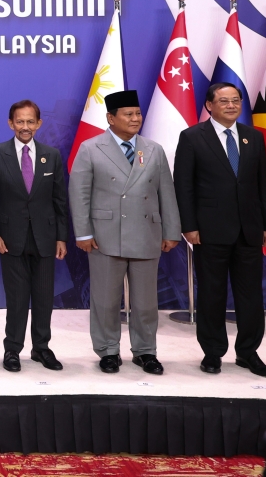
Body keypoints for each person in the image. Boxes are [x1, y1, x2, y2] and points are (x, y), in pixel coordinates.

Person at [68, 90, 181, 375]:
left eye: (138, 114)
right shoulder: (91, 148)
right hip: (105, 235)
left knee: (146, 302)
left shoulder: (153, 149)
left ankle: (146, 352)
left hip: (146, 232)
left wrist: (172, 231)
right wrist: (83, 233)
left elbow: (166, 192)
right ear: (110, 118)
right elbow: (79, 194)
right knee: (105, 300)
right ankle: (107, 351)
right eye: (128, 114)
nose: (135, 119)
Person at [173, 82, 266, 378]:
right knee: (212, 294)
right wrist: (189, 226)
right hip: (209, 231)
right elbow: (184, 186)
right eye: (224, 101)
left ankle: (248, 353)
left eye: (236, 100)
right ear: (209, 105)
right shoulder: (193, 137)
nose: (231, 105)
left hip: (249, 230)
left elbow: (264, 185)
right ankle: (212, 353)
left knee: (251, 296)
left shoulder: (253, 138)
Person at [0, 99, 68, 373]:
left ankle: (41, 348)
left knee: (43, 297)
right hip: (10, 239)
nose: (25, 127)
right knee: (17, 299)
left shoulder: (51, 155)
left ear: (39, 124)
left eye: (31, 121)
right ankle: (12, 350)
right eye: (20, 121)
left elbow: (60, 201)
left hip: (45, 237)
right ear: (11, 123)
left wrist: (61, 237)